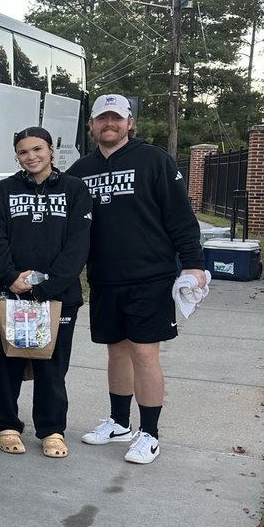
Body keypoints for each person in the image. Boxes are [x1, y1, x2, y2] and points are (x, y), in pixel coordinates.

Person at [68, 94, 206, 464]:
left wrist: (193, 264)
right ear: (91, 125)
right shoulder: (80, 170)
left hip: (150, 276)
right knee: (116, 350)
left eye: (116, 118)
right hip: (104, 277)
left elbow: (180, 216)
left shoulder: (154, 160)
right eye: (102, 118)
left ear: (129, 123)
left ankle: (150, 433)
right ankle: (119, 422)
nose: (109, 124)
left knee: (144, 352)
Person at [0, 128, 91, 458]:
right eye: (23, 152)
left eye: (37, 149)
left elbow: (78, 244)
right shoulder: (4, 190)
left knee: (52, 367)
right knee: (6, 364)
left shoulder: (74, 189)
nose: (31, 156)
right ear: (16, 156)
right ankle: (6, 425)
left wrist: (47, 286)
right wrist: (11, 278)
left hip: (57, 296)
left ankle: (52, 430)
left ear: (50, 150)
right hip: (11, 294)